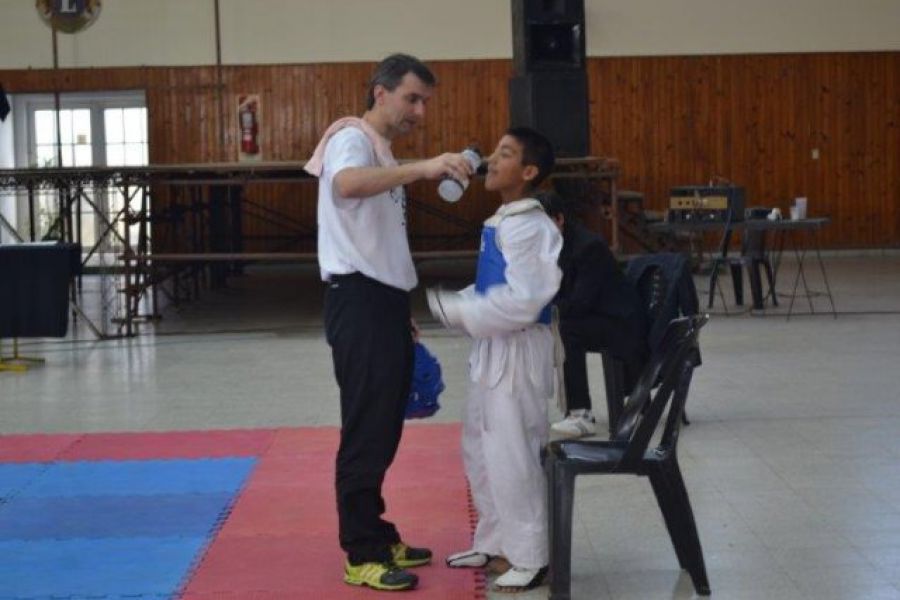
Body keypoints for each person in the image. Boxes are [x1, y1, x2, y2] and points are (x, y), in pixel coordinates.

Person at [304, 53, 475, 592]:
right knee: (366, 431)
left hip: (381, 303)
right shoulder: (351, 138)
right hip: (357, 302)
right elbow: (348, 185)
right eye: (412, 99)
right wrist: (424, 168)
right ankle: (361, 552)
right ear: (380, 92)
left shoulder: (379, 149)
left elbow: (380, 241)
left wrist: (401, 311)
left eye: (424, 102)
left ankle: (377, 531)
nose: (419, 112)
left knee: (383, 428)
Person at [426, 127, 562, 592]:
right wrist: (462, 302)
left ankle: (530, 554)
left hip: (518, 350)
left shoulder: (529, 225)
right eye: (494, 152)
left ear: (528, 172)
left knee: (512, 453)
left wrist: (463, 310)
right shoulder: (504, 219)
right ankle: (495, 539)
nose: (491, 160)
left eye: (505, 155)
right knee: (479, 448)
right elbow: (493, 288)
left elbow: (525, 301)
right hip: (493, 348)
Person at [539, 191, 649, 438]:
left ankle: (581, 413)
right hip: (594, 315)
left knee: (567, 329)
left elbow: (580, 302)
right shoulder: (553, 245)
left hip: (620, 322)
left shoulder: (588, 247)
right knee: (549, 328)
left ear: (559, 219)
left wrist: (541, 311)